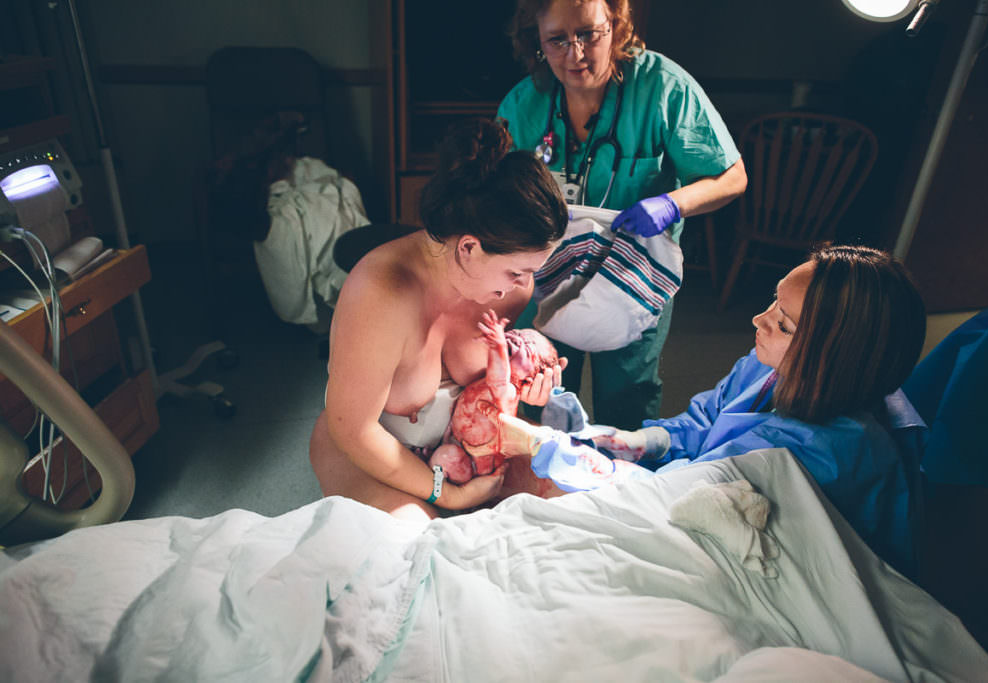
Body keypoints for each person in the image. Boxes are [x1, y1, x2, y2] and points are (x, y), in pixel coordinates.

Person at [500, 245, 928, 577]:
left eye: (783, 324)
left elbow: (681, 495)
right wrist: (639, 440)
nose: (759, 320)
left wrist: (551, 445)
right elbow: (707, 419)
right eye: (772, 304)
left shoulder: (824, 456)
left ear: (833, 356)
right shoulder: (768, 368)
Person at [498, 0, 747, 429]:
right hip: (548, 271)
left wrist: (674, 203)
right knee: (540, 392)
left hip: (634, 272)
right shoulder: (524, 103)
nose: (575, 55)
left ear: (616, 24)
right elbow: (494, 192)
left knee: (627, 402)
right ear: (536, 42)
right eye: (557, 40)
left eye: (590, 34)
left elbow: (732, 177)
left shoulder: (663, 88)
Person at [309, 118, 569, 520]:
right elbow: (353, 431)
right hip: (373, 448)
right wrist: (445, 495)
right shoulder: (381, 293)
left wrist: (528, 387)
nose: (524, 285)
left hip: (466, 448)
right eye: (516, 271)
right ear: (469, 247)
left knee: (570, 504)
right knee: (414, 546)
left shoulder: (511, 293)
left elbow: (491, 390)